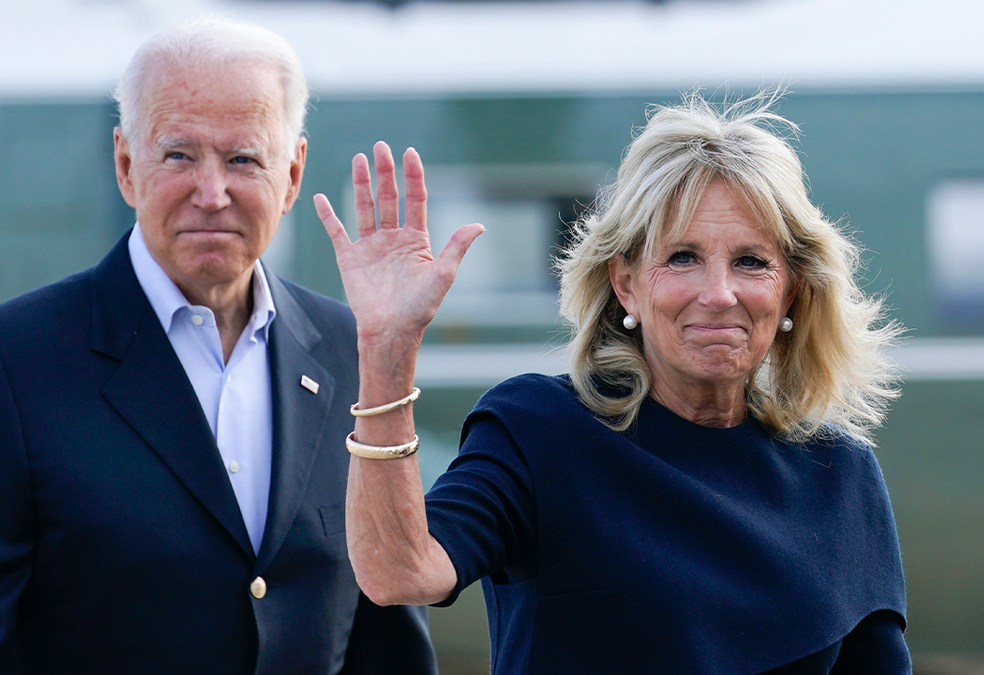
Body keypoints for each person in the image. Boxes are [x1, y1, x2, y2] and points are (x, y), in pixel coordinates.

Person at [0, 17, 436, 675]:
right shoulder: (2, 364)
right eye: (179, 155)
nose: (212, 193)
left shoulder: (351, 351)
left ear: (291, 176)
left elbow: (389, 636)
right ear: (125, 165)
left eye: (242, 159)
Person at [314, 91, 909, 674]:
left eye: (752, 262)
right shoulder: (539, 429)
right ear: (626, 284)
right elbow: (400, 573)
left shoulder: (841, 473)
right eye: (682, 258)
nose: (719, 293)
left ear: (791, 291)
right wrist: (386, 351)